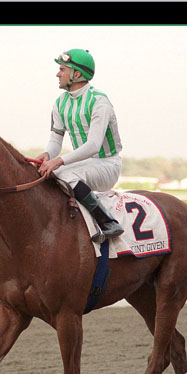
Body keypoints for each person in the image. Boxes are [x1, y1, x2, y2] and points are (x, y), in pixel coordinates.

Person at [38, 48, 124, 239]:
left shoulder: (99, 101)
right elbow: (55, 140)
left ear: (76, 74)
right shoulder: (60, 103)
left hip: (107, 164)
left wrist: (58, 161)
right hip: (85, 163)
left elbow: (93, 146)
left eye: (62, 69)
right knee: (46, 173)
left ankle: (107, 222)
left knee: (64, 173)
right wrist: (48, 155)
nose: (58, 74)